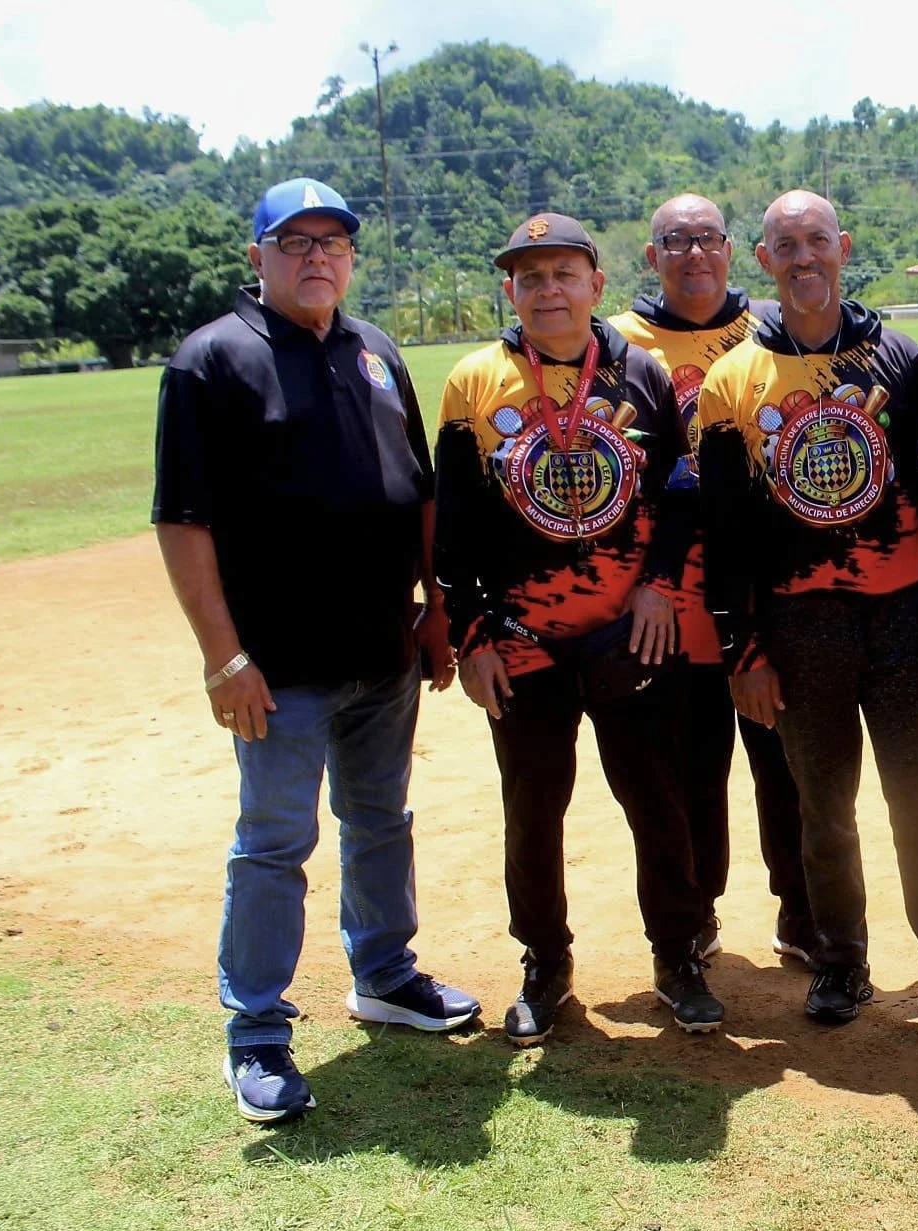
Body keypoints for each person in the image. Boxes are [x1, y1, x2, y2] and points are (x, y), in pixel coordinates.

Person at [153, 177, 479, 1124]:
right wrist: (224, 659)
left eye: (333, 242)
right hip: (277, 665)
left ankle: (384, 973)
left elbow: (416, 492)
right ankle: (255, 1029)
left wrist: (433, 608)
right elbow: (183, 522)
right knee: (274, 843)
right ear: (256, 257)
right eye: (294, 241)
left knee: (382, 823)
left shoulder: (375, 351)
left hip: (383, 648)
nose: (317, 257)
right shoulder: (211, 360)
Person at [694, 189, 918, 1042]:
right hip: (798, 626)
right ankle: (841, 961)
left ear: (844, 246)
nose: (803, 258)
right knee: (822, 806)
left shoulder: (903, 362)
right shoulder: (732, 381)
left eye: (817, 240)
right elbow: (724, 533)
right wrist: (742, 647)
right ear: (764, 261)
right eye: (785, 245)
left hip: (905, 620)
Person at [434, 212, 719, 1045]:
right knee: (532, 808)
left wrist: (661, 585)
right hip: (521, 634)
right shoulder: (475, 381)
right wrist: (471, 634)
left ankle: (677, 957)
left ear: (596, 284)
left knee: (656, 800)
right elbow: (453, 525)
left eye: (563, 273)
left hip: (629, 633)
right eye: (530, 277)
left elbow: (679, 493)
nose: (546, 289)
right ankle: (546, 962)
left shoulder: (642, 373)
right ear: (511, 290)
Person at [608, 194, 815, 966]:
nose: (693, 254)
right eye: (674, 241)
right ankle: (694, 913)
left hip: (765, 590)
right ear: (651, 255)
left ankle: (801, 907)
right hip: (667, 598)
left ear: (732, 250)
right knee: (691, 769)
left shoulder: (767, 326)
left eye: (706, 239)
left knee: (785, 765)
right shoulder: (620, 344)